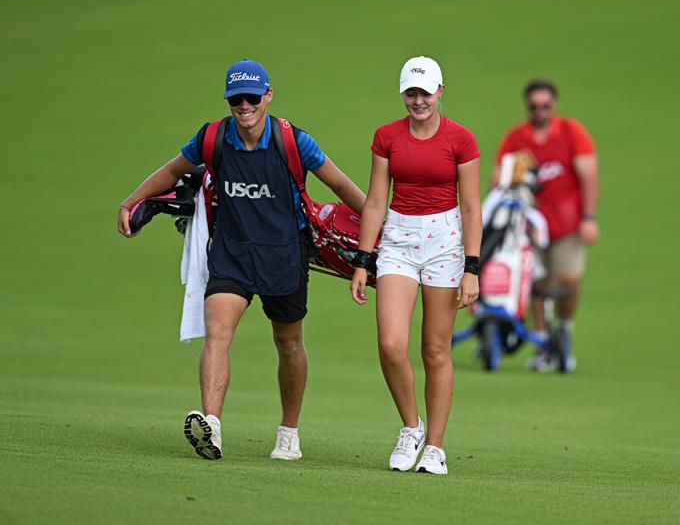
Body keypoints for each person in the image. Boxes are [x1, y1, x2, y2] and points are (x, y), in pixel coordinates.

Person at [118, 59, 366, 460]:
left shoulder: (293, 141)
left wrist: (381, 228)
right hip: (231, 254)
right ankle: (212, 425)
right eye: (237, 99)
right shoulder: (212, 137)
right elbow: (172, 170)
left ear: (268, 96)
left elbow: (339, 183)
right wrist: (130, 202)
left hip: (284, 255)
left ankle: (288, 433)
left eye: (252, 97)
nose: (245, 106)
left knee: (288, 342)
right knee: (217, 332)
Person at [350, 56, 481, 475]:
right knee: (391, 344)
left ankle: (435, 447)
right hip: (398, 241)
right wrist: (362, 260)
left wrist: (472, 267)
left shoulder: (461, 139)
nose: (418, 100)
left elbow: (471, 207)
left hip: (445, 242)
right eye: (411, 93)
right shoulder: (386, 136)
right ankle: (411, 427)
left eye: (425, 92)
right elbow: (376, 201)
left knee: (435, 349)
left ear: (440, 92)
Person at [493, 79, 599, 373]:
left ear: (554, 105)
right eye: (534, 106)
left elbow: (589, 174)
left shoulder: (570, 132)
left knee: (569, 279)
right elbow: (498, 179)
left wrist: (589, 217)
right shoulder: (516, 139)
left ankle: (563, 328)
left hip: (567, 224)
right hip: (530, 227)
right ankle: (542, 342)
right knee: (535, 284)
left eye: (545, 105)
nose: (540, 111)